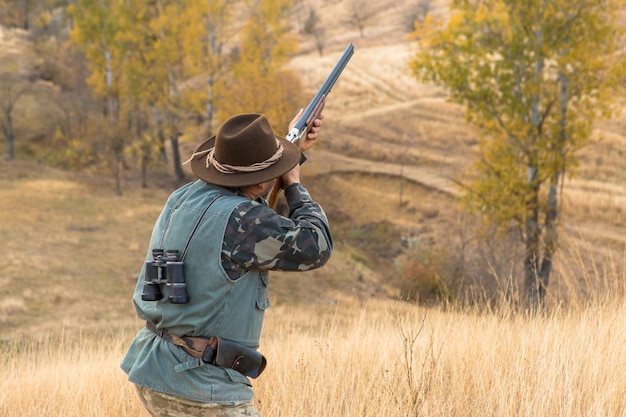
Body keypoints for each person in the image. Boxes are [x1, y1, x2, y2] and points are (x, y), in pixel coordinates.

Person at [120, 111, 333, 417]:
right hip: (202, 386)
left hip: (155, 369)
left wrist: (289, 157)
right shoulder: (242, 221)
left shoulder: (182, 197)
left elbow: (244, 213)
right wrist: (294, 183)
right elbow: (316, 246)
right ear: (260, 183)